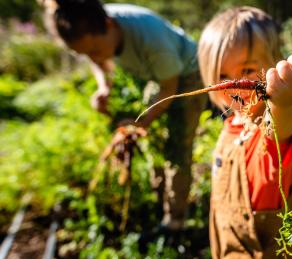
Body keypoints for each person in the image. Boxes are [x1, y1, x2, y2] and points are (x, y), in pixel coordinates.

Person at [45, 0, 207, 231]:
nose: (94, 58)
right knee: (154, 141)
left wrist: (140, 123)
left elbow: (168, 90)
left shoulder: (151, 40)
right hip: (158, 75)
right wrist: (104, 87)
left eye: (95, 51)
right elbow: (98, 62)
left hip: (188, 74)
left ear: (110, 26)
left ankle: (176, 220)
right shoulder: (90, 26)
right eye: (86, 54)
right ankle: (159, 200)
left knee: (177, 146)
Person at [198, 6, 292, 259]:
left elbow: (280, 127)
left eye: (247, 71)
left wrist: (285, 101)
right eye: (222, 76)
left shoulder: (267, 130)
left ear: (275, 63)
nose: (232, 85)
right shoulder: (232, 123)